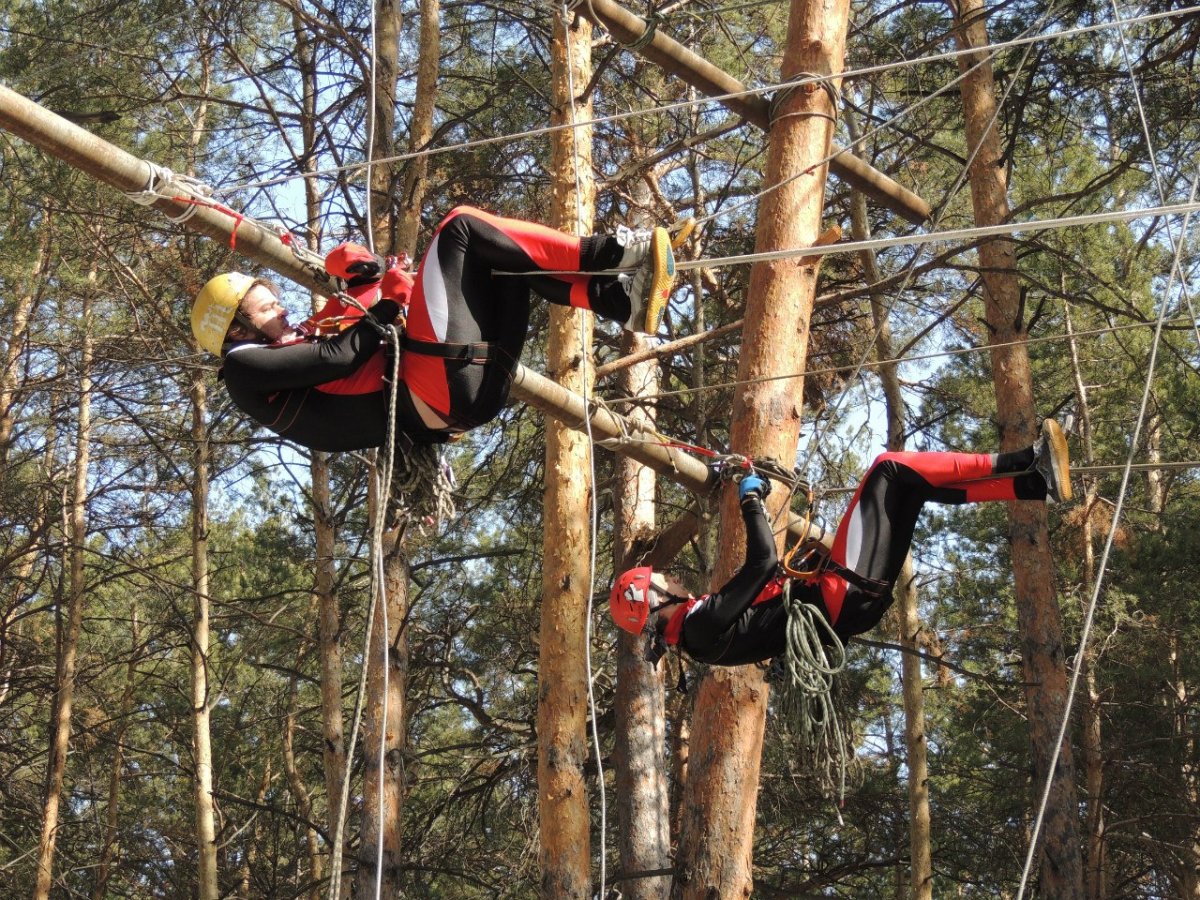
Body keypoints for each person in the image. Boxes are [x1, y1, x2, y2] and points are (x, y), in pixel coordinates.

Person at [189, 206, 679, 451]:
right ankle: (609, 254)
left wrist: (361, 272)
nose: (284, 311)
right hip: (437, 391)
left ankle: (617, 300)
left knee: (497, 260)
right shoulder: (243, 371)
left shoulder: (294, 347)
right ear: (234, 330)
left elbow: (347, 334)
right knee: (461, 227)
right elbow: (340, 355)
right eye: (269, 308)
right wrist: (391, 300)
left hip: (468, 394)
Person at [610, 420, 1073, 666]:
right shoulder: (698, 627)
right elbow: (763, 564)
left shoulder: (700, 633)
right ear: (652, 602)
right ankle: (1026, 458)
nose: (670, 577)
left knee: (912, 487)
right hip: (840, 595)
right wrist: (750, 497)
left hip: (848, 604)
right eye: (660, 580)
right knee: (888, 468)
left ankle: (1033, 484)